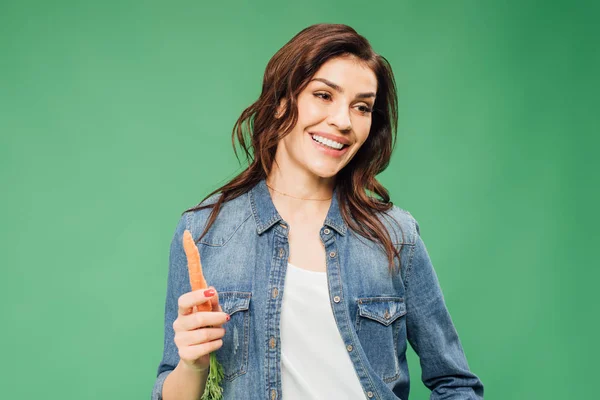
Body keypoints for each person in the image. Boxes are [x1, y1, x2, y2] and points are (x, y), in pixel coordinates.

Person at [152, 23, 484, 400]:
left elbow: (455, 383)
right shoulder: (203, 233)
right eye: (324, 95)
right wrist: (194, 365)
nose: (343, 121)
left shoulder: (396, 236)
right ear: (280, 102)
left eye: (362, 107)